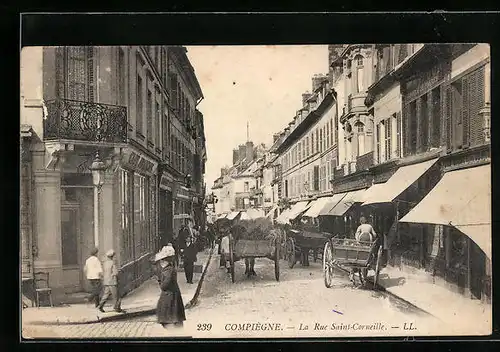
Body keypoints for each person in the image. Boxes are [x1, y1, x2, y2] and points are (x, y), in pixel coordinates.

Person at [154, 245, 186, 329]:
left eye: (162, 260)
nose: (161, 262)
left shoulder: (168, 270)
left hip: (170, 297)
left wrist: (159, 280)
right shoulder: (169, 269)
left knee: (169, 320)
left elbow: (164, 286)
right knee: (173, 320)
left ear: (165, 260)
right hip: (173, 296)